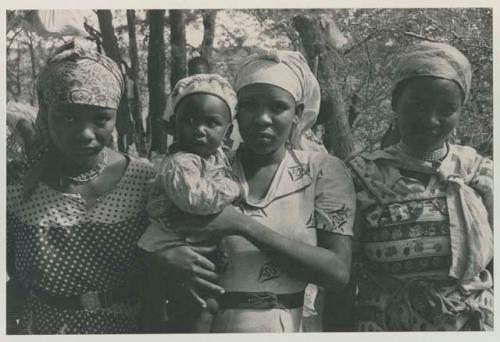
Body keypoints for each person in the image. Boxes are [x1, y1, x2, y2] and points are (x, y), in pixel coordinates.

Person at [153, 49, 355, 333]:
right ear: (235, 114)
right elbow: (161, 236)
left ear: (297, 113)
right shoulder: (203, 169)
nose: (262, 118)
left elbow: (336, 272)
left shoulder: (321, 170)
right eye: (249, 105)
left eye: (277, 107)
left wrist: (243, 225)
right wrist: (165, 259)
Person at [6, 40, 155, 334]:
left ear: (115, 117)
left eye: (101, 119)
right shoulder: (17, 184)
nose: (85, 133)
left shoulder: (142, 178)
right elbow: (13, 270)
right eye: (68, 117)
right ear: (46, 114)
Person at [344, 42, 493, 331]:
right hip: (385, 323)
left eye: (447, 109)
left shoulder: (479, 173)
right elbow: (344, 273)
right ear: (394, 105)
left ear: (461, 111)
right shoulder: (360, 175)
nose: (431, 120)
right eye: (417, 106)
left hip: (471, 323)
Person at [137, 74, 240, 332]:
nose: (199, 129)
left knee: (204, 302)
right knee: (199, 305)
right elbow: (195, 199)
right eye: (189, 120)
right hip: (171, 240)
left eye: (212, 123)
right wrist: (235, 189)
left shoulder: (216, 157)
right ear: (174, 125)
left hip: (193, 239)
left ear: (227, 131)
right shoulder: (181, 161)